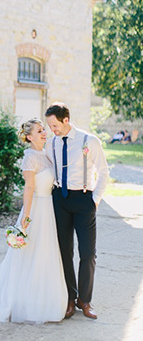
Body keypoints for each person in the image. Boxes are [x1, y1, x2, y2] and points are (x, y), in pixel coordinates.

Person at [0, 118, 67, 323]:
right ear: (29, 137)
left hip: (49, 208)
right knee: (31, 253)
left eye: (43, 130)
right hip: (36, 209)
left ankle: (45, 297)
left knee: (45, 251)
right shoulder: (30, 158)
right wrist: (27, 216)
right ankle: (21, 301)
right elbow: (29, 188)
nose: (43, 133)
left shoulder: (47, 154)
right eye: (39, 131)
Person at [45, 103, 109, 320]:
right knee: (64, 251)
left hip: (83, 200)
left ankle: (85, 300)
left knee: (88, 254)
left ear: (66, 120)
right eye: (49, 126)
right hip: (59, 200)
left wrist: (95, 201)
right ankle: (69, 299)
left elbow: (103, 172)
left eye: (54, 125)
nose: (51, 130)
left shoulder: (88, 141)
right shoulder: (51, 143)